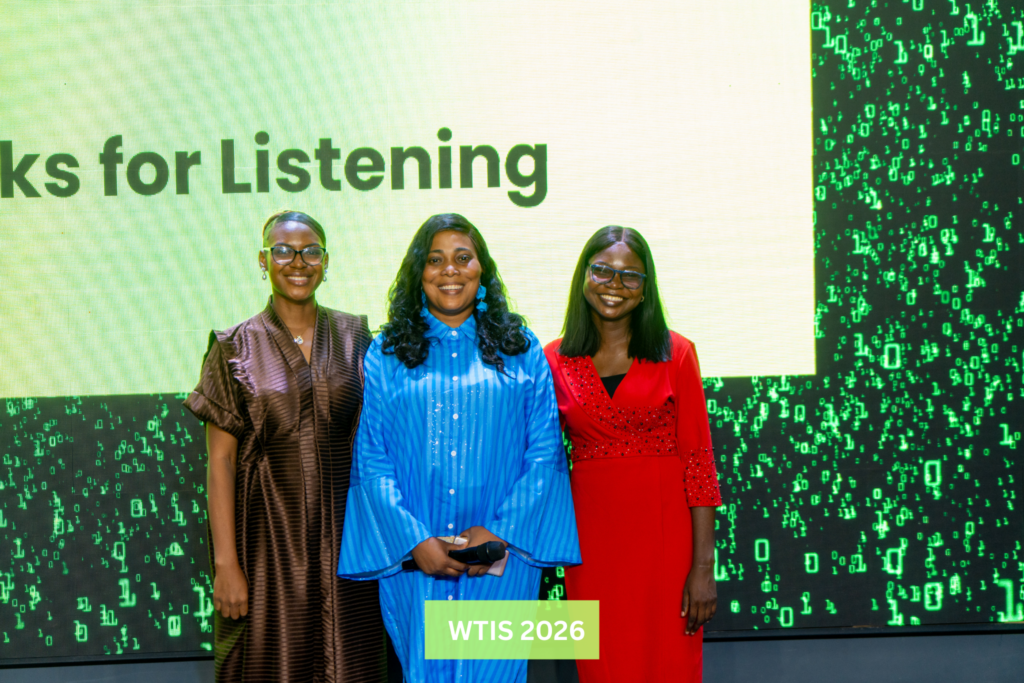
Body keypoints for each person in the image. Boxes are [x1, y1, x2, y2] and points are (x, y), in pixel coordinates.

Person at [337, 213, 581, 683]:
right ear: (418, 273)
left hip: (501, 560)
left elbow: (545, 451)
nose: (450, 269)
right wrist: (415, 539)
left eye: (463, 258)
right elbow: (372, 457)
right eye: (435, 260)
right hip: (415, 560)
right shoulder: (386, 352)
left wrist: (499, 532)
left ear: (482, 270)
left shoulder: (521, 348)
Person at [183, 210, 385, 682]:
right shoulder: (233, 346)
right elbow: (220, 462)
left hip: (349, 544)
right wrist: (226, 564)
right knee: (271, 665)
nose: (298, 261)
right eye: (283, 250)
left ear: (326, 261)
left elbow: (380, 443)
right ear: (263, 260)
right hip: (266, 544)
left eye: (311, 250)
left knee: (352, 664)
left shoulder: (358, 338)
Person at [544, 226, 722, 683]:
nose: (614, 286)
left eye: (630, 277)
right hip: (591, 548)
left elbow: (700, 464)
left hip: (667, 546)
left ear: (646, 290)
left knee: (669, 665)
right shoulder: (552, 360)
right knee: (604, 665)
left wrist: (702, 569)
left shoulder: (677, 353)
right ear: (583, 277)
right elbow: (538, 460)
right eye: (602, 271)